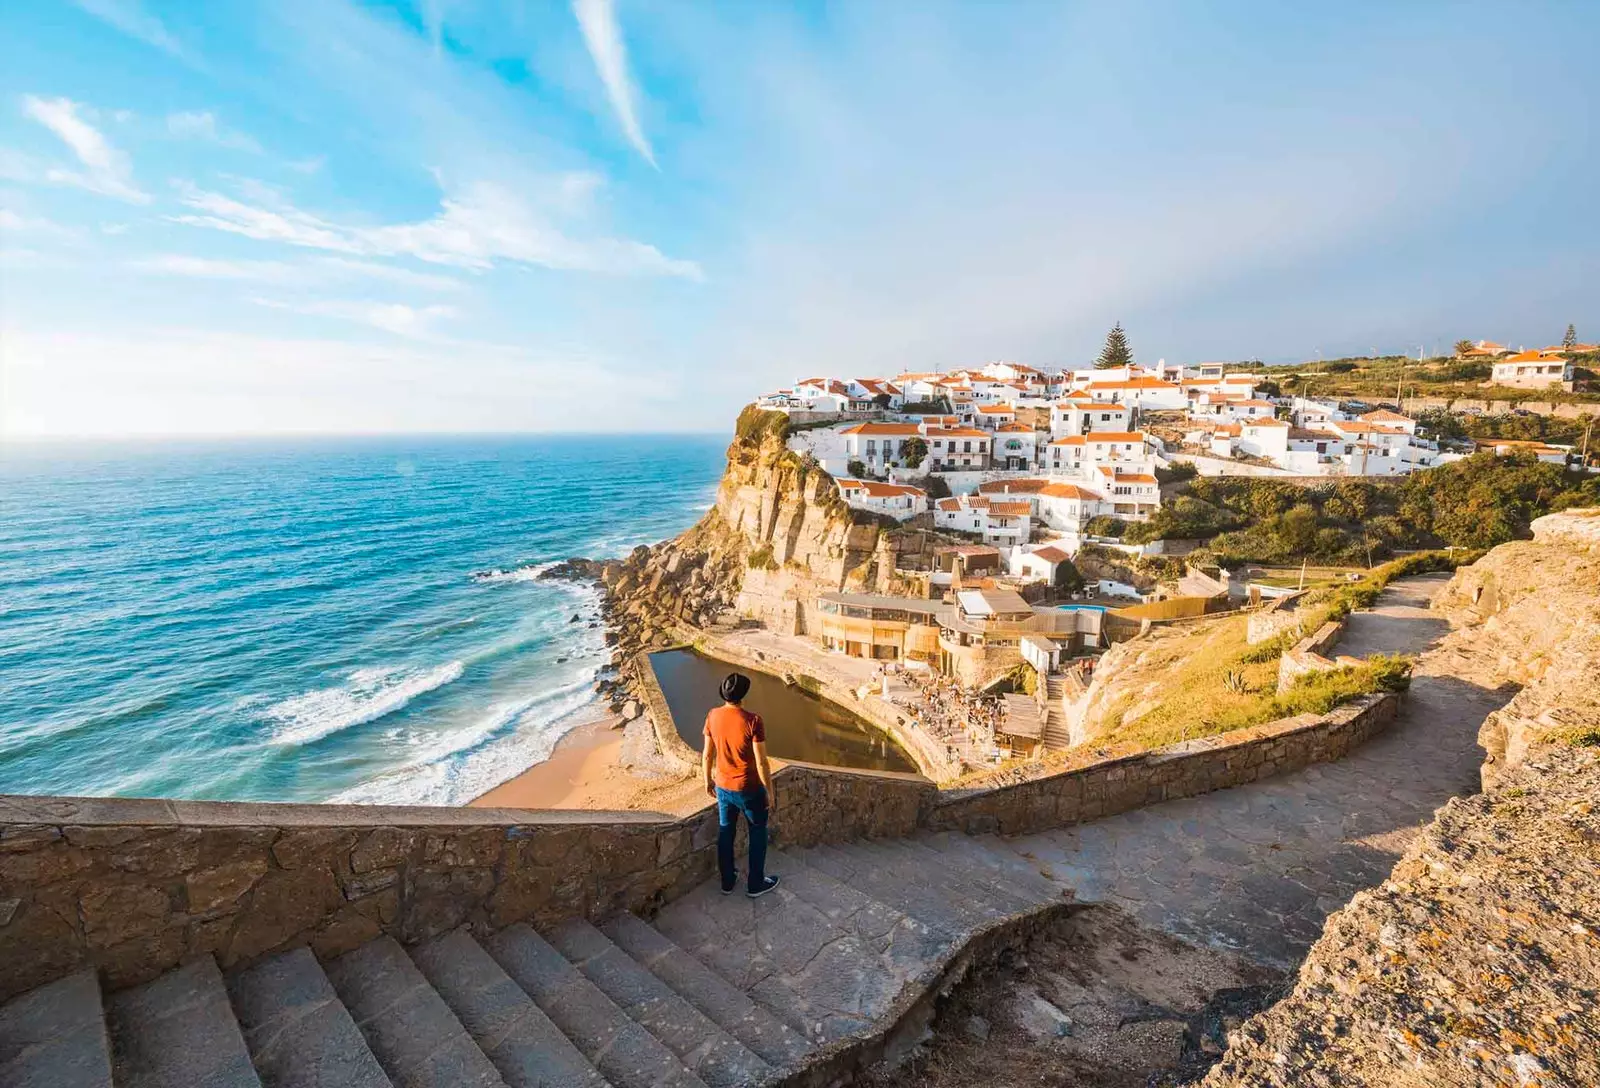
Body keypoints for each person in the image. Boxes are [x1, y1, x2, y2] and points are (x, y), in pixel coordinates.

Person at [702, 672, 780, 898]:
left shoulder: (712, 715)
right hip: (749, 789)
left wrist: (708, 780)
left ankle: (728, 881)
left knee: (726, 832)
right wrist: (770, 792)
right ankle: (755, 884)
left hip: (723, 787)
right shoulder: (753, 720)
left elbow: (707, 755)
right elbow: (762, 761)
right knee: (757, 833)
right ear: (743, 695)